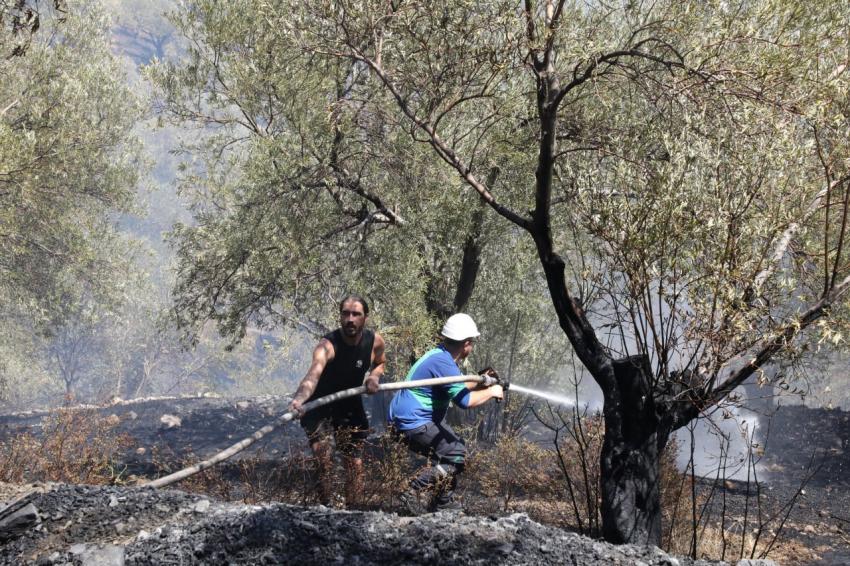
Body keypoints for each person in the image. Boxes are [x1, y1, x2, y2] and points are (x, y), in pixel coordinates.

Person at [388, 313, 503, 514]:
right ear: (466, 343)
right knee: (455, 453)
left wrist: (480, 380)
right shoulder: (444, 363)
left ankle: (442, 502)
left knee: (455, 450)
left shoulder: (439, 356)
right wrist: (492, 391)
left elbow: (456, 387)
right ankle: (410, 489)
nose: (472, 346)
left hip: (407, 421)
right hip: (412, 422)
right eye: (472, 342)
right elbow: (464, 401)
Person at [289, 295, 385, 506]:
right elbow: (312, 376)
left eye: (356, 314)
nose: (350, 319)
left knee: (355, 463)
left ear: (365, 318)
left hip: (349, 403)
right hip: (319, 404)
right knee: (322, 458)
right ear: (340, 316)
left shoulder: (374, 341)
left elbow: (380, 363)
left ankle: (354, 509)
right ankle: (326, 509)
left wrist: (374, 376)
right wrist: (299, 399)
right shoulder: (327, 346)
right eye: (346, 314)